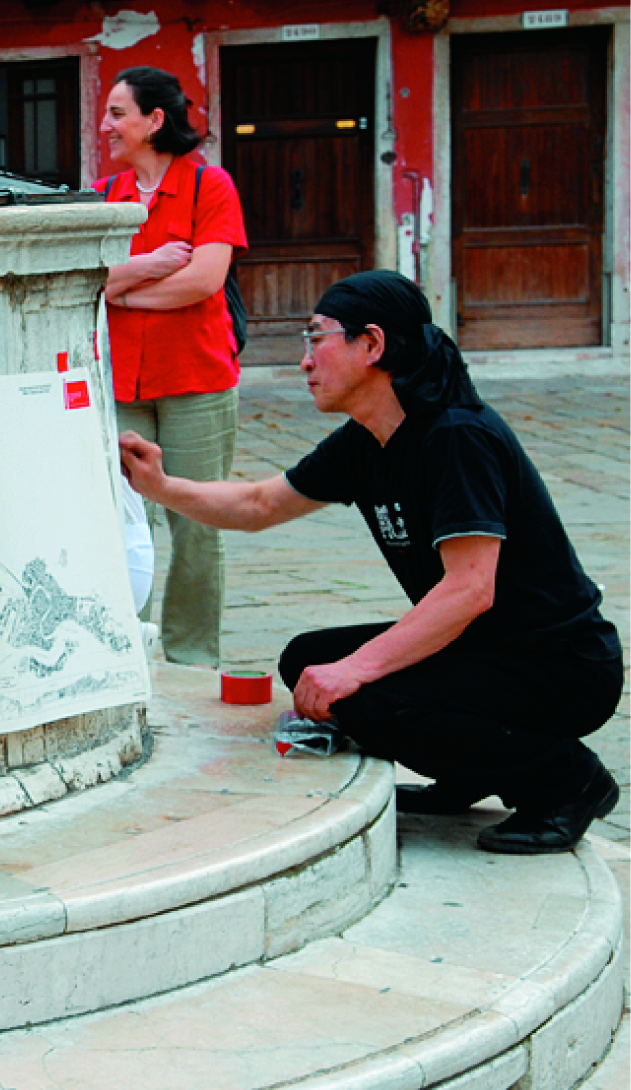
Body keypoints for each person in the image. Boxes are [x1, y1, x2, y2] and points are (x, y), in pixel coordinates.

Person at [119, 271, 622, 855]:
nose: (305, 360)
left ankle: (568, 781)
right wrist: (159, 486)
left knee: (362, 697)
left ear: (372, 344)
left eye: (317, 338)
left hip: (558, 664)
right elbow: (259, 505)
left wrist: (356, 670)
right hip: (482, 648)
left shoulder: (457, 437)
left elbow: (470, 589)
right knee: (309, 661)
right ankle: (471, 770)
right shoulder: (365, 441)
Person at [96, 66, 248, 668]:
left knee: (196, 522)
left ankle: (191, 657)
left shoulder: (210, 186)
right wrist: (150, 265)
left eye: (117, 113)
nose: (105, 125)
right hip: (121, 384)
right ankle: (121, 648)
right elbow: (85, 280)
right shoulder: (104, 196)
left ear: (155, 120)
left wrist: (122, 291)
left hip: (195, 379)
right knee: (118, 519)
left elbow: (204, 280)